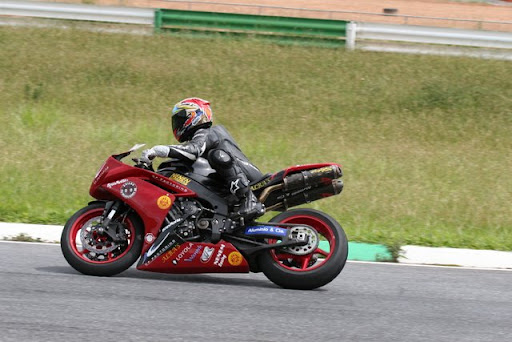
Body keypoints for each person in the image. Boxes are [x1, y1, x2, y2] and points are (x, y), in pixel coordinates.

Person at [140, 97, 265, 221]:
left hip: (250, 178)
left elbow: (193, 151)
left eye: (181, 118)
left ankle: (249, 199)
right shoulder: (199, 138)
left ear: (195, 115)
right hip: (227, 187)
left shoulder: (207, 132)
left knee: (216, 155)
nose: (177, 123)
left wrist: (161, 150)